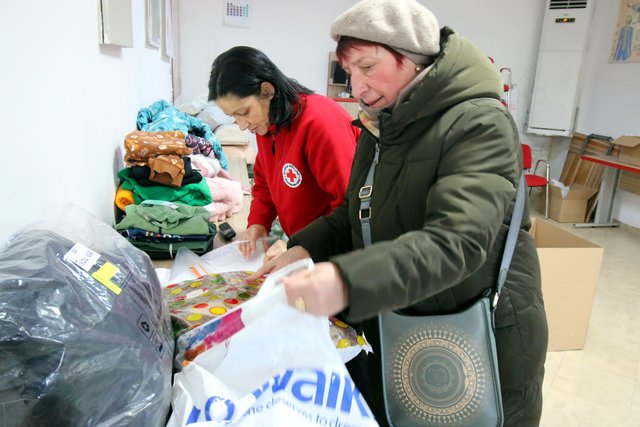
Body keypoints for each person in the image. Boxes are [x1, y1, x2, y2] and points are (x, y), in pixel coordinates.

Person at [247, 0, 548, 426]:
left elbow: (456, 244)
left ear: (413, 59)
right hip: (404, 316)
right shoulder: (381, 123)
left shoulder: (478, 124)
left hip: (477, 328)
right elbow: (356, 210)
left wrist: (345, 280)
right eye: (349, 72)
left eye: (368, 68)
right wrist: (302, 248)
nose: (358, 86)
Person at [208, 46, 360, 261]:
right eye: (233, 117)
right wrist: (258, 222)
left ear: (267, 91)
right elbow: (264, 183)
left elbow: (348, 208)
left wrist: (301, 248)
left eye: (244, 112)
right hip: (305, 243)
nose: (242, 126)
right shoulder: (266, 124)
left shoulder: (320, 123)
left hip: (336, 251)